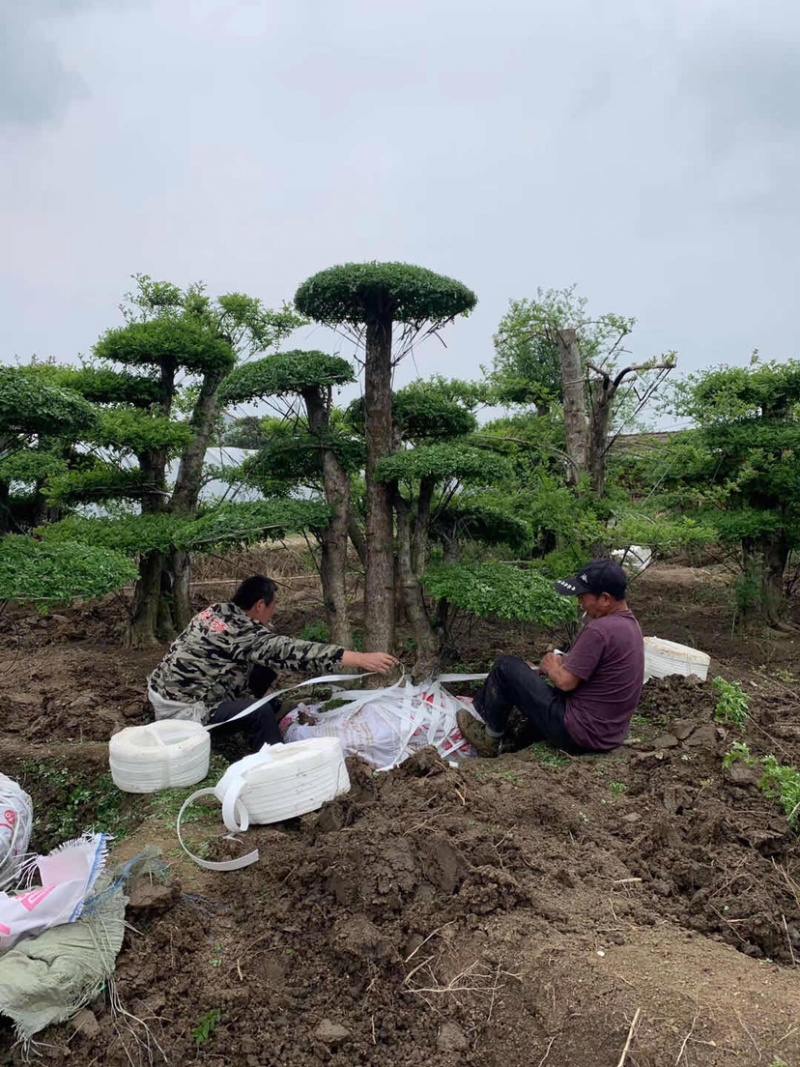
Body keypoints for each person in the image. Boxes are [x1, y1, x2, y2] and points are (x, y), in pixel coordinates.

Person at [147, 574, 397, 752]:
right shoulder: (244, 635)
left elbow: (258, 647)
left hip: (166, 692)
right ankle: (275, 764)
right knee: (259, 712)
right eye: (273, 605)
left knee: (265, 665)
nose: (274, 611)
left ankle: (267, 707)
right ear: (259, 605)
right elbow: (295, 652)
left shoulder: (218, 610)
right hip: (183, 713)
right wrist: (362, 659)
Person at [457, 559, 644, 757]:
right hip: (607, 733)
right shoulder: (630, 627)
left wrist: (552, 666)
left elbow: (565, 682)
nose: (579, 602)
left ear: (605, 599)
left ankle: (489, 738)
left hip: (579, 733)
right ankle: (514, 739)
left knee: (505, 667)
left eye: (582, 596)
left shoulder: (600, 629)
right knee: (522, 677)